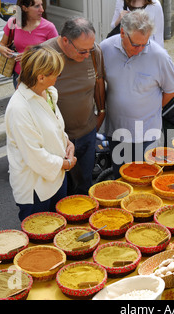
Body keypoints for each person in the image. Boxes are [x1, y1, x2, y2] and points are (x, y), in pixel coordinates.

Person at [100, 10, 174, 179]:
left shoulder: (159, 56)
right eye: (136, 45)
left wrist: (151, 109)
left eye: (145, 43)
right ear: (122, 33)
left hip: (146, 133)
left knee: (144, 180)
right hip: (116, 130)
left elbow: (171, 90)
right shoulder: (105, 48)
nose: (140, 49)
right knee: (120, 178)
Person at [5, 45, 77, 222]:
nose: (59, 76)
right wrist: (66, 164)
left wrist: (67, 143)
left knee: (59, 231)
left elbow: (54, 126)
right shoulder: (19, 108)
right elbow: (34, 155)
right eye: (56, 73)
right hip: (35, 189)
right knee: (39, 242)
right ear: (41, 77)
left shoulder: (47, 93)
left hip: (56, 176)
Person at [42, 17, 106, 195]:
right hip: (55, 140)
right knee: (58, 191)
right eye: (81, 51)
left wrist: (101, 112)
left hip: (87, 132)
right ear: (65, 41)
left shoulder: (94, 52)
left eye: (89, 49)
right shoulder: (44, 55)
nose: (87, 55)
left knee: (84, 186)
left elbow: (99, 81)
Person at [0, 0, 58, 88]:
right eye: (37, 6)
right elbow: (2, 44)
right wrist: (0, 49)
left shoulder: (49, 27)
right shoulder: (14, 23)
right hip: (19, 76)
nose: (42, 10)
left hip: (41, 77)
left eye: (41, 5)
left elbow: (57, 55)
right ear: (24, 8)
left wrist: (31, 56)